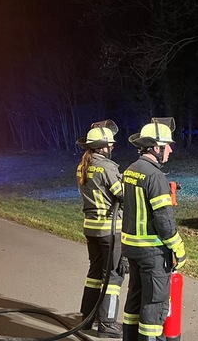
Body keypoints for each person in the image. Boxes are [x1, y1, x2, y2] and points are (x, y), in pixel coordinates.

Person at [121, 118, 187, 341]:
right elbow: (164, 222)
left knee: (135, 299)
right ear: (155, 147)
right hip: (153, 251)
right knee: (155, 303)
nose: (170, 149)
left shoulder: (131, 170)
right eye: (167, 145)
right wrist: (179, 249)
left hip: (132, 248)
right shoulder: (155, 176)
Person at [76, 120, 125, 339]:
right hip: (109, 230)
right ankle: (107, 323)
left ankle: (88, 317)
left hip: (91, 228)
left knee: (95, 273)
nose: (112, 148)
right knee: (112, 276)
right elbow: (122, 195)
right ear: (103, 147)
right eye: (110, 145)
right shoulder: (107, 167)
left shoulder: (83, 165)